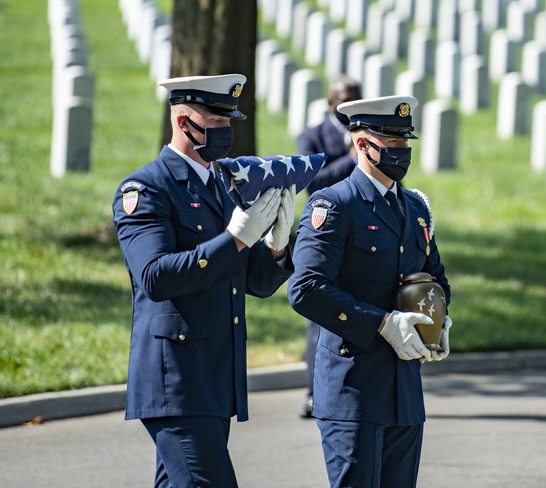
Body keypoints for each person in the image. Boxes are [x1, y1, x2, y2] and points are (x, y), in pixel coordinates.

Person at [113, 74, 296, 486]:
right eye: (216, 120)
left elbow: (255, 283)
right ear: (183, 123)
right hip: (175, 381)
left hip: (213, 378)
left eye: (229, 120)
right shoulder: (146, 188)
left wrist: (278, 248)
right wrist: (234, 239)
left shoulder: (223, 185)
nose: (226, 130)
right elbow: (154, 276)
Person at [288, 94, 451, 488]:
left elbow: (434, 276)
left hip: (404, 391)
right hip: (353, 389)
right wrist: (382, 323)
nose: (402, 154)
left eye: (405, 145)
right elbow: (306, 289)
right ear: (362, 144)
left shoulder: (414, 207)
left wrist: (439, 319)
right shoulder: (333, 205)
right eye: (393, 146)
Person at [296, 75, 363, 418]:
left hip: (362, 238)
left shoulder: (372, 135)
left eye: (355, 100)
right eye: (342, 101)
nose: (347, 107)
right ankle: (313, 392)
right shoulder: (312, 137)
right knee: (318, 317)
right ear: (329, 104)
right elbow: (312, 183)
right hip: (325, 235)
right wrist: (353, 156)